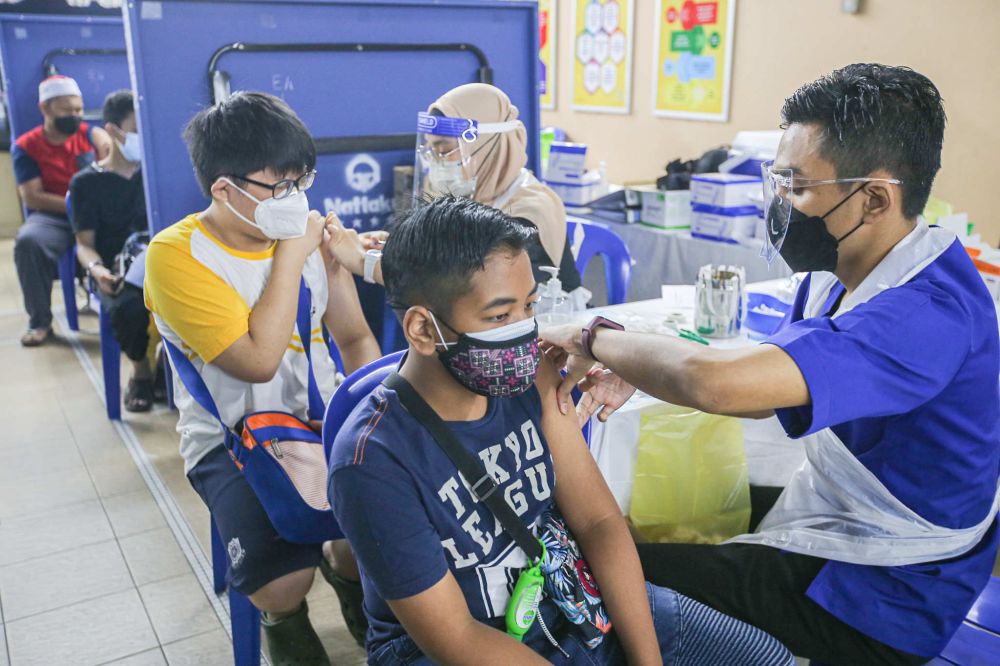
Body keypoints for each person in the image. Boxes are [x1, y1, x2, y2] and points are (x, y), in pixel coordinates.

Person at [541, 64, 1000, 665]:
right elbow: (765, 385)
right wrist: (642, 365)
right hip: (842, 534)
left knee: (598, 587)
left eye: (798, 185)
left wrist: (591, 333)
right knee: (619, 548)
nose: (781, 202)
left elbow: (717, 383)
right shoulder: (849, 271)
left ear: (875, 198)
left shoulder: (927, 315)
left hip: (880, 599)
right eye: (777, 179)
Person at [327, 196, 794, 665]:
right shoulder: (371, 462)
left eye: (529, 306)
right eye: (499, 316)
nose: (524, 332)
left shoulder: (530, 375)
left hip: (568, 599)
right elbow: (457, 639)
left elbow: (598, 522)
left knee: (767, 659)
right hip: (466, 644)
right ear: (424, 331)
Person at [144, 92, 381, 664]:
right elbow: (257, 361)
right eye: (278, 187)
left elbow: (352, 337)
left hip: (320, 422)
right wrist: (292, 257)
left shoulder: (305, 233)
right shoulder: (177, 256)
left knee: (371, 543)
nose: (295, 199)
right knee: (281, 584)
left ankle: (354, 594)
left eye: (302, 181)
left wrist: (377, 411)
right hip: (231, 441)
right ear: (223, 189)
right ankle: (287, 625)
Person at [419, 83, 584, 297]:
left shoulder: (528, 212)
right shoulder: (469, 196)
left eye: (446, 149)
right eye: (432, 150)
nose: (437, 162)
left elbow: (475, 290)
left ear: (488, 144)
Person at [69, 89, 156, 411]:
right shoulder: (86, 184)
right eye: (135, 129)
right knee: (128, 306)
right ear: (112, 131)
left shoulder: (155, 174)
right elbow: (84, 246)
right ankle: (141, 372)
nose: (142, 137)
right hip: (115, 270)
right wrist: (97, 271)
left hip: (159, 259)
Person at [12, 75, 111, 346]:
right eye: (67, 110)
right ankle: (39, 322)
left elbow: (111, 164)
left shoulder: (92, 136)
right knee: (28, 242)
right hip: (54, 217)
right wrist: (75, 204)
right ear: (45, 108)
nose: (75, 115)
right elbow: (33, 196)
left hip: (95, 216)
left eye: (78, 110)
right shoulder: (26, 147)